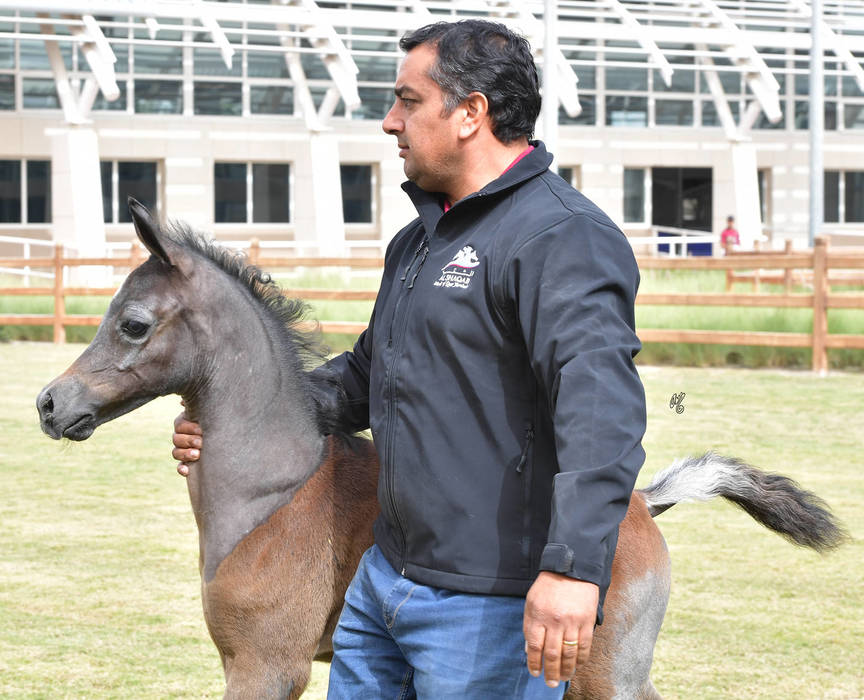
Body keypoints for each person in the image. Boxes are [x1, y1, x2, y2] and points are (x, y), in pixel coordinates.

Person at [173, 19, 646, 698]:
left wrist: (573, 570)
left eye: (408, 101)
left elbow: (600, 414)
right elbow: (367, 378)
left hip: (490, 601)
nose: (390, 122)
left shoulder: (561, 236)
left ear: (470, 114)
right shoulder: (419, 239)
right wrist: (239, 421)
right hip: (384, 579)